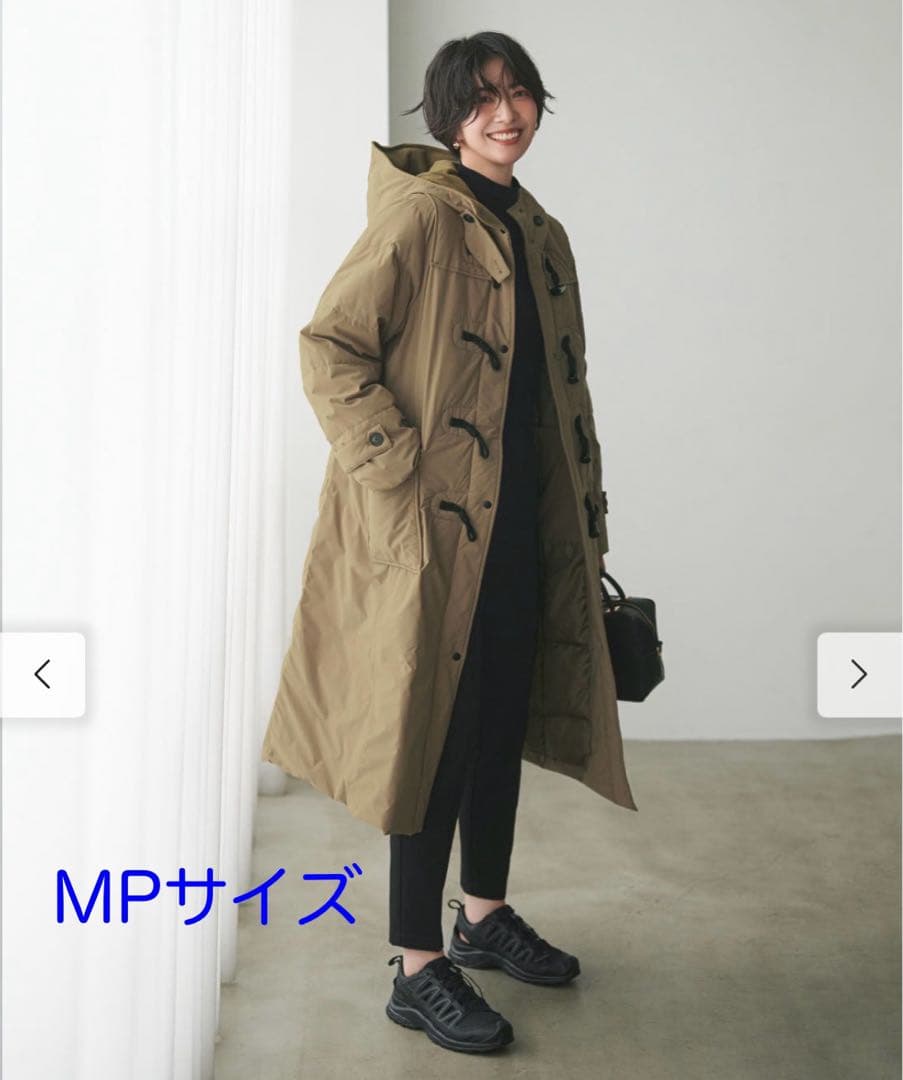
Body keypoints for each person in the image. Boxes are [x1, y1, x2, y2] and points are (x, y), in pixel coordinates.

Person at [260, 27, 637, 1058]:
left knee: (498, 720)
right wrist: (396, 464)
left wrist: (584, 514)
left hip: (521, 526)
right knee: (431, 736)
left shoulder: (541, 230)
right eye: (480, 99)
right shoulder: (424, 216)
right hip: (433, 531)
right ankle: (415, 965)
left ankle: (482, 915)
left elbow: (557, 390)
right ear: (446, 117)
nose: (503, 114)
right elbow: (330, 346)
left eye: (517, 93)